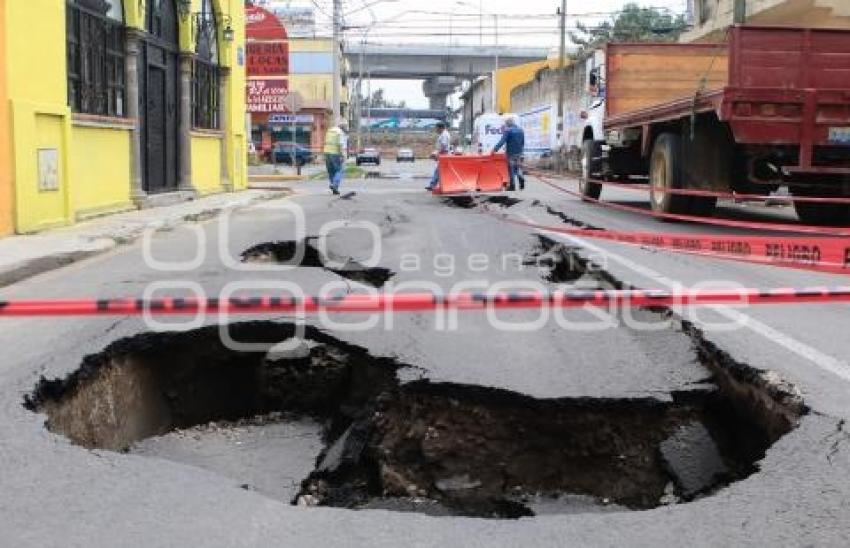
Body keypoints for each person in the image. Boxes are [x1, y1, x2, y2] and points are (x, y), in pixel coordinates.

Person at [492, 116, 526, 191]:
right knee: (518, 167)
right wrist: (521, 151)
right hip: (519, 152)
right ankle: (521, 178)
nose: (505, 125)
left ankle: (512, 186)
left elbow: (502, 141)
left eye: (506, 124)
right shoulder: (521, 130)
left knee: (511, 169)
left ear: (508, 124)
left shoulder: (508, 130)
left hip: (511, 153)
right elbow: (523, 142)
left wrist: (495, 149)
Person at [324, 122, 348, 195]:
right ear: (342, 128)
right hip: (335, 154)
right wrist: (344, 156)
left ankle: (334, 188)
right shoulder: (340, 133)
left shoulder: (329, 131)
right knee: (340, 170)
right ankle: (334, 185)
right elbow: (341, 145)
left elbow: (326, 142)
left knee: (331, 171)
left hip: (327, 153)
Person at [426, 121, 452, 191]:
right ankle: (434, 185)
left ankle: (434, 185)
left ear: (441, 128)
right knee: (439, 171)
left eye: (436, 128)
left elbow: (443, 146)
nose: (436, 130)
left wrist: (436, 154)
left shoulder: (444, 135)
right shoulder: (443, 134)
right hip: (443, 153)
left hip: (444, 154)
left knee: (439, 171)